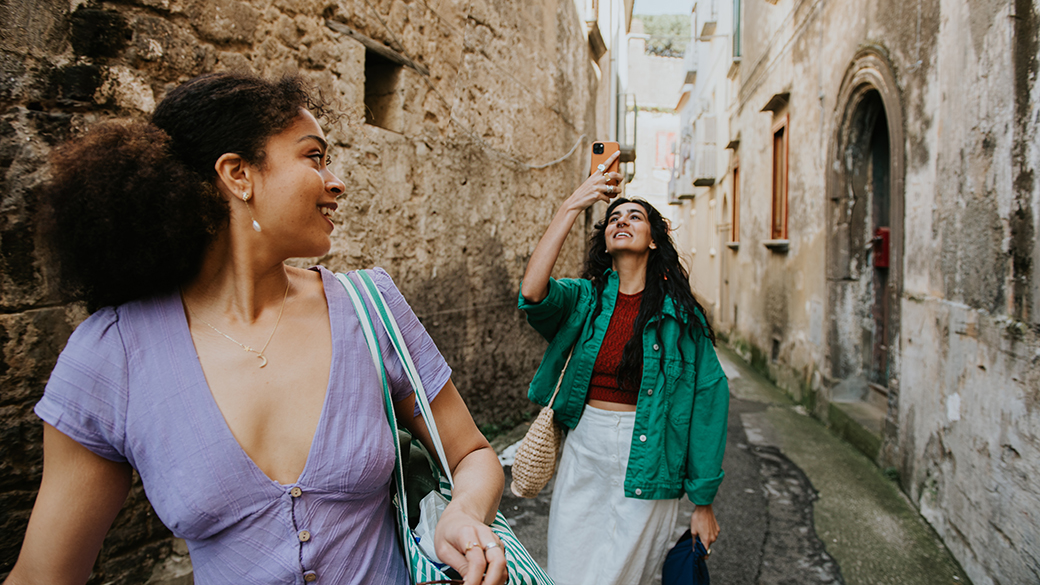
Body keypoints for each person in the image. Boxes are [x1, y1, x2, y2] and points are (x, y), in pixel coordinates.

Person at [5, 72, 507, 585]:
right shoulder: (112, 355)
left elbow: (471, 453)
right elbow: (43, 575)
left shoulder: (371, 308)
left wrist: (463, 513)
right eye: (314, 156)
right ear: (238, 174)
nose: (336, 182)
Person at [518, 151, 729, 585]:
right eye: (614, 216)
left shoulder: (681, 316)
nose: (622, 220)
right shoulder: (585, 300)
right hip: (586, 448)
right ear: (606, 238)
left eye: (635, 216)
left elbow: (709, 400)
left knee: (623, 576)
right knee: (567, 568)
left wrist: (703, 502)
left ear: (654, 239)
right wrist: (571, 206)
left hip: (653, 457)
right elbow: (533, 293)